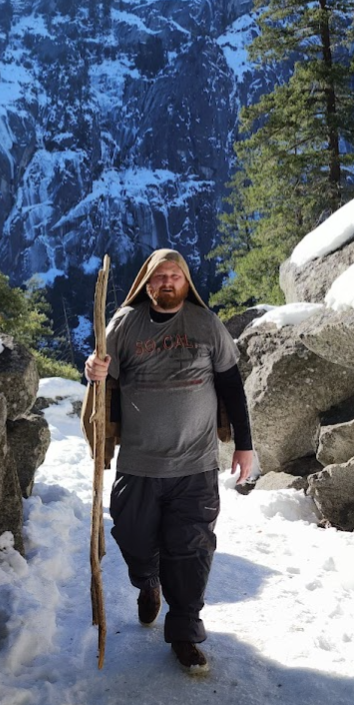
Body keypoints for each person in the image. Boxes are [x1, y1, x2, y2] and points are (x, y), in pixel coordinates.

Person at [84, 248, 253, 673]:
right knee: (135, 540)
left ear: (186, 280)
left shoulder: (204, 323)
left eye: (174, 275)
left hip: (195, 465)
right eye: (159, 276)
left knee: (191, 549)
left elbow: (232, 385)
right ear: (146, 282)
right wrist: (93, 370)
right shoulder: (125, 324)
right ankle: (148, 582)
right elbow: (105, 372)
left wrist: (244, 445)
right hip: (139, 464)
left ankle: (185, 633)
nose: (166, 282)